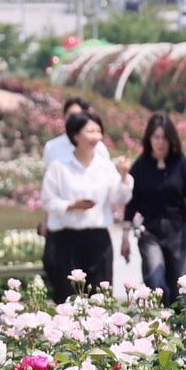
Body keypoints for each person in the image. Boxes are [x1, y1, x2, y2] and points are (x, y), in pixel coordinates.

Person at [40, 111, 134, 304]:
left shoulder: (105, 166)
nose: (95, 137)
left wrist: (124, 176)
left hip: (98, 239)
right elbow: (47, 200)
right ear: (75, 135)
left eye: (98, 131)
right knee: (67, 298)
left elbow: (119, 198)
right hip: (66, 240)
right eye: (90, 131)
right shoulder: (59, 166)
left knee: (100, 298)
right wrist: (71, 205)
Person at [120, 113, 186, 308]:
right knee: (155, 282)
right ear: (149, 138)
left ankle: (180, 330)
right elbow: (131, 203)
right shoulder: (140, 166)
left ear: (171, 139)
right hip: (150, 233)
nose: (160, 142)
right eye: (156, 137)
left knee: (180, 285)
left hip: (178, 232)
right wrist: (125, 237)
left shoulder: (180, 163)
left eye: (164, 137)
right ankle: (161, 323)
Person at [41, 97, 110, 291]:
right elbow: (48, 191)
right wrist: (46, 220)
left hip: (93, 229)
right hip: (63, 227)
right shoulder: (53, 148)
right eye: (70, 115)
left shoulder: (100, 149)